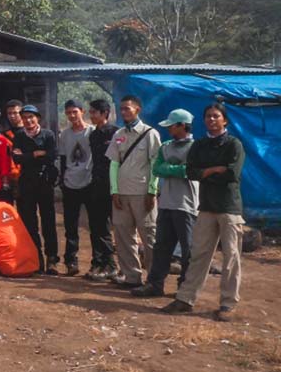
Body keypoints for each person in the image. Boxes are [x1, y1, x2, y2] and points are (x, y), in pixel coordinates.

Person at [162, 103, 245, 322]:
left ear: (224, 120)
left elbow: (232, 174)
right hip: (206, 206)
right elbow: (191, 172)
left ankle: (228, 304)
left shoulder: (233, 144)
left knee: (231, 258)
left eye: (216, 116)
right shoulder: (199, 145)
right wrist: (214, 170)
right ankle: (185, 299)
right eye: (208, 116)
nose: (211, 119)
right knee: (199, 255)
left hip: (228, 207)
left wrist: (205, 172)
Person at [132, 109, 197, 297]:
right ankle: (155, 284)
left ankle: (185, 287)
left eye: (172, 126)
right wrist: (176, 169)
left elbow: (190, 171)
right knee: (161, 246)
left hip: (187, 204)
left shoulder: (196, 148)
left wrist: (171, 169)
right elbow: (157, 168)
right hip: (167, 203)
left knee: (188, 250)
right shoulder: (166, 146)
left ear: (182, 126)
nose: (169, 129)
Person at [105, 95, 161, 287]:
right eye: (121, 109)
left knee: (149, 236)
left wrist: (152, 190)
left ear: (138, 109)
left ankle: (154, 280)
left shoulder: (150, 134)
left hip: (142, 194)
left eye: (128, 108)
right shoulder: (119, 134)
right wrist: (114, 190)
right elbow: (113, 164)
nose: (124, 112)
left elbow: (156, 163)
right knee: (123, 236)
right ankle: (132, 277)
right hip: (121, 194)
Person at [13, 105, 59, 274]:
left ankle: (52, 259)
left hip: (45, 182)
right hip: (26, 183)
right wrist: (35, 154)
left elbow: (52, 155)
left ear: (38, 118)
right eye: (24, 117)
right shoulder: (19, 136)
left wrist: (29, 156)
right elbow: (16, 158)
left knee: (48, 221)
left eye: (31, 117)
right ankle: (36, 259)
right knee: (29, 223)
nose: (28, 120)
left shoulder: (48, 135)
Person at [58, 99, 95, 276]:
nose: (72, 116)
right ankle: (71, 261)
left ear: (82, 111)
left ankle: (98, 262)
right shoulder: (64, 135)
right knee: (70, 226)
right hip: (70, 184)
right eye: (68, 113)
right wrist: (63, 180)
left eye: (75, 112)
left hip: (89, 183)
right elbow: (64, 159)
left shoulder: (92, 132)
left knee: (95, 225)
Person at [85, 99, 118, 280]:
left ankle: (118, 266)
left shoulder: (115, 133)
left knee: (119, 227)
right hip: (96, 185)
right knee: (98, 226)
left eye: (94, 112)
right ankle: (103, 263)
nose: (91, 116)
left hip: (113, 186)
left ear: (104, 113)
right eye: (90, 112)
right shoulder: (93, 135)